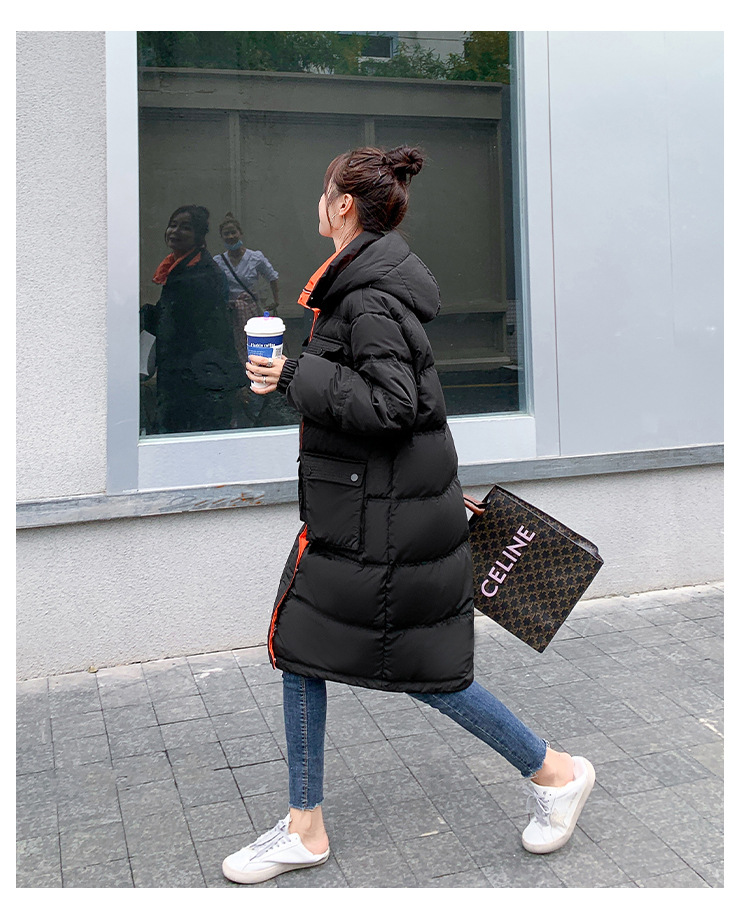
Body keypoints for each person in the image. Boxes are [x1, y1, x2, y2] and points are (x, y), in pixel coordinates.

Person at [221, 147, 595, 885]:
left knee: (424, 670)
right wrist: (300, 378)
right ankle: (305, 826)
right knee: (307, 647)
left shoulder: (368, 298)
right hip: (370, 513)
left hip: (385, 522)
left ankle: (556, 772)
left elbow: (393, 407)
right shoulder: (367, 284)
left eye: (324, 191)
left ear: (343, 205)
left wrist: (293, 372)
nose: (319, 201)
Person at [141, 205, 243, 434]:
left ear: (198, 236)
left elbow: (196, 328)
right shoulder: (179, 268)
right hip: (182, 375)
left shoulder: (202, 273)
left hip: (197, 381)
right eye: (173, 225)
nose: (175, 231)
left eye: (185, 227)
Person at [213, 212, 280, 362]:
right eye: (226, 234)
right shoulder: (218, 261)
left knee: (251, 343)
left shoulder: (255, 257)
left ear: (240, 233)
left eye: (233, 232)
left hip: (251, 310)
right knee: (232, 346)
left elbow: (272, 277)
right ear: (222, 237)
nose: (230, 236)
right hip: (229, 312)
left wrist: (276, 300)